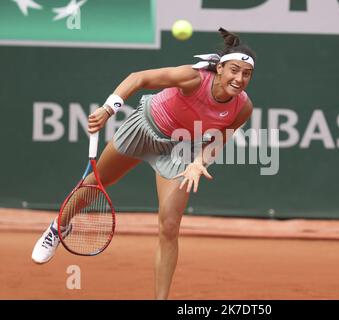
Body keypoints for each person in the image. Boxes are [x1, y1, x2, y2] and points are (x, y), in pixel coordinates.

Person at [31, 27, 255, 299]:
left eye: (246, 74)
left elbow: (219, 138)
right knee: (96, 182)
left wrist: (199, 162)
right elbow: (139, 78)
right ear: (219, 69)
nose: (239, 78)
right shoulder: (192, 78)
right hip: (144, 127)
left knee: (170, 226)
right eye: (234, 70)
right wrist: (108, 109)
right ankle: (59, 227)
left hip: (180, 148)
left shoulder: (242, 107)